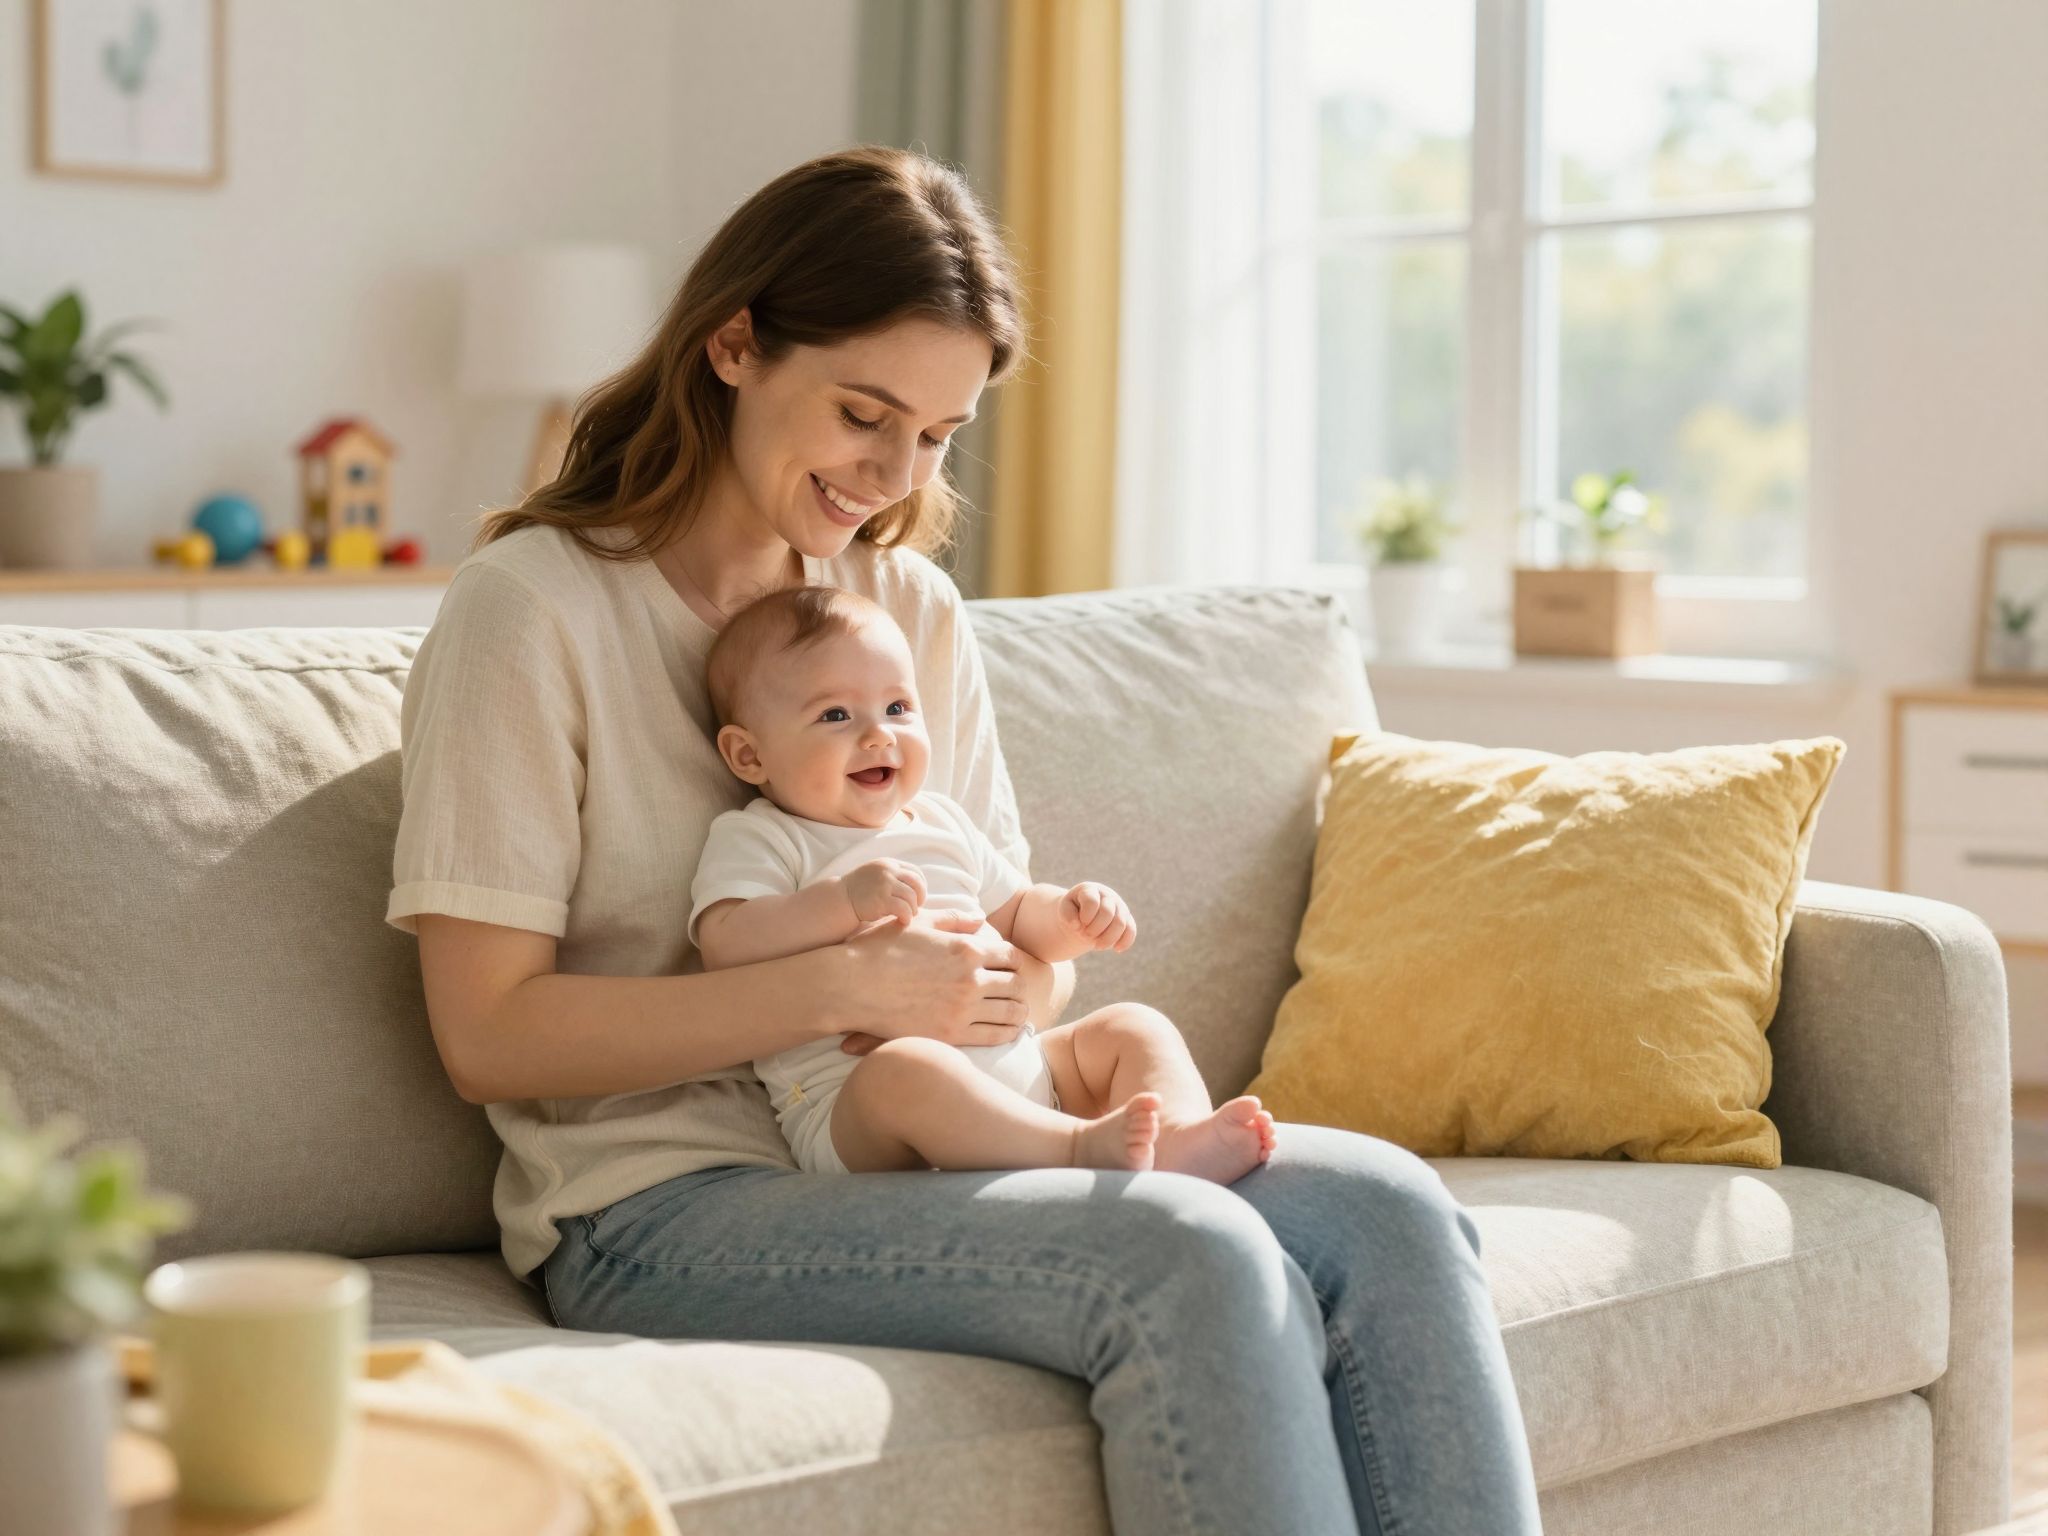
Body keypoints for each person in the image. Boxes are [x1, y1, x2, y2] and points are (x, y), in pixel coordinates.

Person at [386, 144, 1542, 1536]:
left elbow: (1023, 963)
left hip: (948, 1136)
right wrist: (835, 990)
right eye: (865, 413)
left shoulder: (907, 614)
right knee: (1182, 1257)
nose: (891, 472)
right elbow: (489, 1035)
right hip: (661, 1205)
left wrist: (1005, 976)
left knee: (1394, 1216)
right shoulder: (532, 613)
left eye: (935, 436)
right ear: (735, 345)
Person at [690, 582, 1279, 1181]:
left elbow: (1020, 914)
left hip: (1025, 1074)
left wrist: (1071, 915)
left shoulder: (943, 820)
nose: (879, 735)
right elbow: (726, 943)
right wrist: (840, 904)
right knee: (907, 1071)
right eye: (835, 715)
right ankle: (1075, 1149)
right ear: (748, 757)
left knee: (1132, 1026)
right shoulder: (765, 836)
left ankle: (1177, 1141)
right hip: (857, 1111)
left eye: (897, 708)